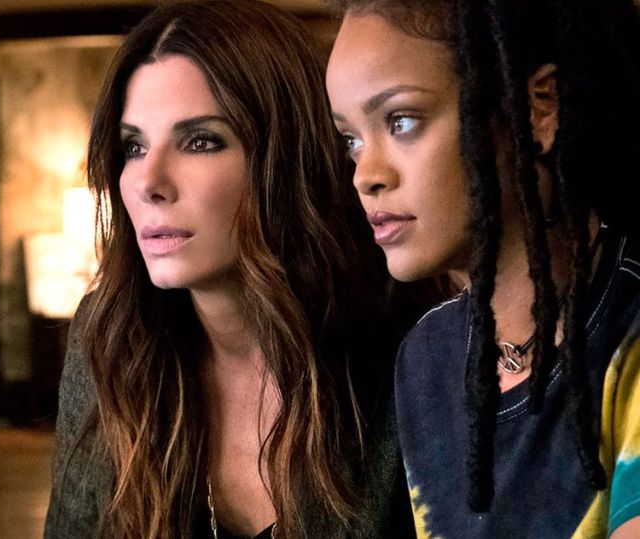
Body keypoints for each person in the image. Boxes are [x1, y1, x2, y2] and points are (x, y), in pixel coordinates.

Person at [45, 1, 432, 537]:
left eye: (200, 142)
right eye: (133, 146)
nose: (148, 181)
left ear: (287, 160)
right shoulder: (112, 337)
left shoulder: (412, 350)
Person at [325, 0, 640, 536]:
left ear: (539, 106)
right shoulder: (426, 358)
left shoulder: (627, 331)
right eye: (352, 139)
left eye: (402, 121)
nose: (365, 175)